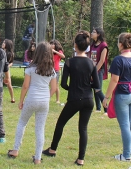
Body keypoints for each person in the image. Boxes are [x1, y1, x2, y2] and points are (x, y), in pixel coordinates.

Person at [42, 31, 100, 166]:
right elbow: (96, 85)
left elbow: (63, 84)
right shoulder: (91, 63)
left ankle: (52, 149)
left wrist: (72, 88)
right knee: (83, 128)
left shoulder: (70, 62)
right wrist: (86, 86)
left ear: (75, 45)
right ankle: (81, 159)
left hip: (74, 98)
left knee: (61, 122)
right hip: (88, 99)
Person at [7, 42, 57, 164]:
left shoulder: (31, 68)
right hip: (44, 102)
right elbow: (54, 88)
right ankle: (38, 158)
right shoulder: (51, 70)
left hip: (32, 99)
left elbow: (25, 86)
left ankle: (15, 150)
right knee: (40, 129)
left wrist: (21, 101)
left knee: (22, 123)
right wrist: (47, 97)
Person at [102, 32, 131, 162]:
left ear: (120, 44)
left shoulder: (118, 60)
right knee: (130, 122)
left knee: (124, 124)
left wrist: (106, 97)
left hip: (123, 94)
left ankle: (126, 155)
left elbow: (114, 80)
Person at [90, 28, 109, 113]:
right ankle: (98, 108)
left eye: (93, 32)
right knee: (95, 88)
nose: (91, 33)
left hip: (98, 70)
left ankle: (106, 109)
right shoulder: (93, 45)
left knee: (98, 89)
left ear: (98, 34)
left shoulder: (103, 45)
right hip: (92, 69)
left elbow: (102, 60)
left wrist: (95, 71)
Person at [49, 39, 65, 104]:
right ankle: (47, 98)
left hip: (56, 70)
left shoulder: (59, 51)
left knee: (56, 85)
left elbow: (63, 56)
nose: (52, 45)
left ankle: (57, 99)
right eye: (51, 44)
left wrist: (55, 51)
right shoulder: (48, 52)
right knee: (50, 85)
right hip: (49, 70)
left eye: (53, 44)